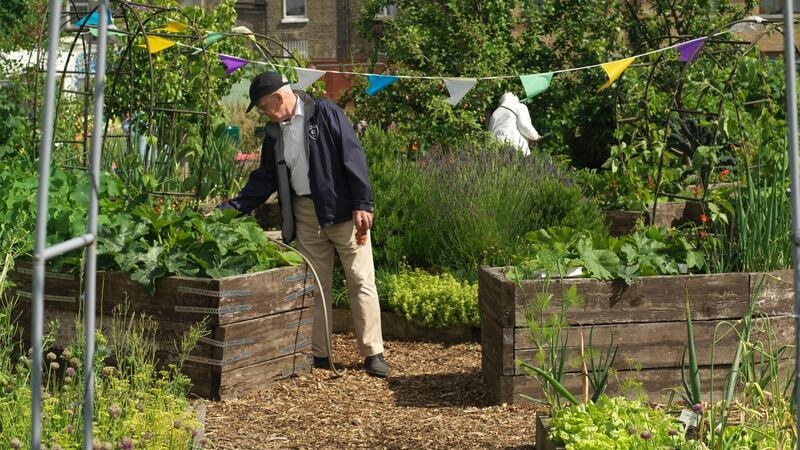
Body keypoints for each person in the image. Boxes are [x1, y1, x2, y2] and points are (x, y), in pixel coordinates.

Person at [219, 71, 389, 378]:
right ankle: (320, 354)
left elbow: (353, 154)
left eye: (262, 105)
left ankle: (373, 352)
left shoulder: (324, 112)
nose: (261, 112)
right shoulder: (274, 133)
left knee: (361, 280)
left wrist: (363, 202)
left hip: (343, 211)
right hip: (305, 214)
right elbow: (265, 179)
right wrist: (228, 211)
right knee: (316, 286)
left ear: (277, 98)